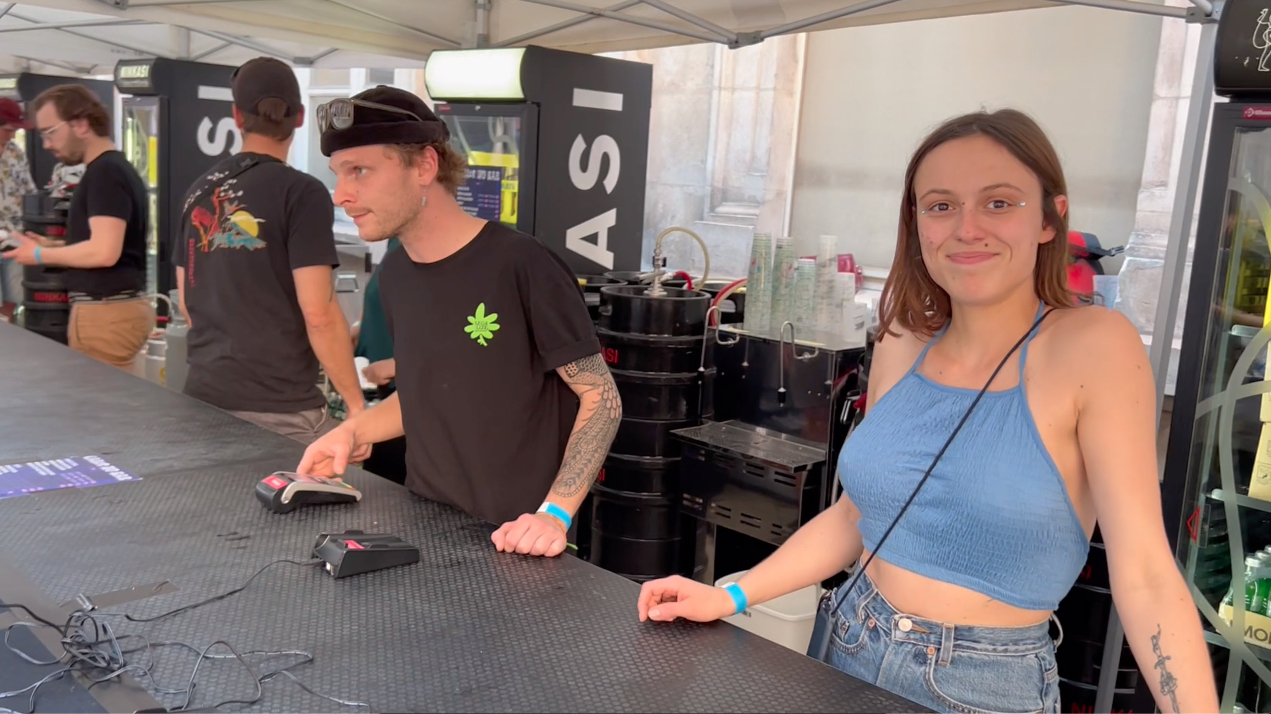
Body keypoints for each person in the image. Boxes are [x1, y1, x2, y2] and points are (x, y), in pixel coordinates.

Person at [635, 109, 1218, 714]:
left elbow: (1146, 571)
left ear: (1050, 219)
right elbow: (855, 516)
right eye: (940, 206)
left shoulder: (1096, 346)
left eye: (999, 203)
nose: (967, 228)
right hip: (845, 641)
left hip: (983, 685)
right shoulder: (901, 340)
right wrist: (727, 595)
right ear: (916, 224)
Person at [297, 86, 621, 558]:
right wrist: (353, 430)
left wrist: (554, 514)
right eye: (338, 175)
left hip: (523, 544)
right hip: (426, 530)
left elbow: (601, 396)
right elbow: (426, 394)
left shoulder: (521, 263)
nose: (341, 195)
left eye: (360, 172)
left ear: (425, 166)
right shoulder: (396, 276)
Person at [174, 57, 364, 444]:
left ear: (236, 117)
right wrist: (357, 408)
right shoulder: (302, 193)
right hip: (281, 410)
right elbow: (319, 313)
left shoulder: (198, 192)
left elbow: (186, 305)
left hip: (203, 398)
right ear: (298, 117)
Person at [3, 86, 153, 370]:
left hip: (106, 315)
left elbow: (104, 252)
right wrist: (57, 246)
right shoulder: (113, 169)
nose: (46, 144)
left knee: (102, 411)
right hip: (113, 311)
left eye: (50, 132)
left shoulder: (105, 173)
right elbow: (111, 244)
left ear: (81, 124)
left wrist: (40, 256)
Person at [349, 235, 407, 484]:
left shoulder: (439, 253)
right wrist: (361, 327)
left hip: (406, 408)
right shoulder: (397, 243)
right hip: (379, 397)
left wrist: (398, 365)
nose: (342, 198)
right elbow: (378, 293)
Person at [0, 98, 36, 322]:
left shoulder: (15, 152)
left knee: (13, 299)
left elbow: (29, 190)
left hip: (15, 236)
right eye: (8, 129)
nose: (12, 135)